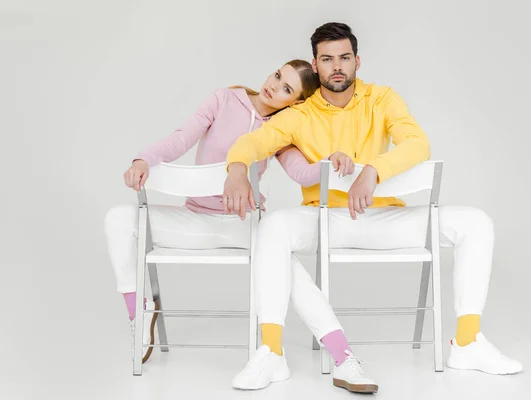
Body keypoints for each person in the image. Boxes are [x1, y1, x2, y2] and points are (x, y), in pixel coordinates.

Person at [224, 22, 524, 391]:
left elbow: (417, 144)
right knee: (271, 228)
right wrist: (237, 170)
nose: (337, 66)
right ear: (315, 67)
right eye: (327, 59)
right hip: (326, 219)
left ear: (357, 62)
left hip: (386, 216)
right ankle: (271, 353)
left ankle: (467, 342)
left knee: (476, 222)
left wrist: (373, 171)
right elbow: (252, 143)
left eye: (344, 58)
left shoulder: (382, 98)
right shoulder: (298, 115)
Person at [104, 59, 360, 372]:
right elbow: (182, 137)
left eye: (286, 89)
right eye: (277, 75)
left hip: (243, 224)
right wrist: (144, 159)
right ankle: (140, 312)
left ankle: (341, 352)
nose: (273, 86)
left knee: (288, 268)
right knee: (118, 219)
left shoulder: (279, 128)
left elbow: (301, 173)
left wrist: (328, 162)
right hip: (195, 219)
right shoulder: (223, 99)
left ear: (296, 103)